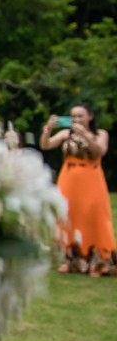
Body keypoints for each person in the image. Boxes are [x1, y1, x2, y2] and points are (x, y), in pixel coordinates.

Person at [41, 105, 114, 276]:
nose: (76, 119)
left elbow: (99, 152)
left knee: (95, 216)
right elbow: (46, 145)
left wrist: (84, 136)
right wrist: (47, 128)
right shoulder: (66, 134)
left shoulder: (100, 134)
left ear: (90, 116)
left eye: (80, 116)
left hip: (92, 177)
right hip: (69, 177)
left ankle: (99, 260)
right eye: (73, 116)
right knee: (68, 216)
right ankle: (71, 260)